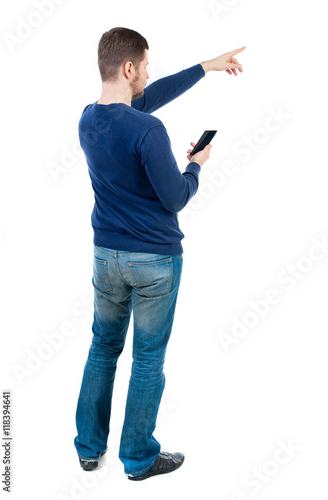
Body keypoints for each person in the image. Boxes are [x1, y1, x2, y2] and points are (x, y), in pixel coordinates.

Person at [73, 27, 245, 481]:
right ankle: (138, 459)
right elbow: (175, 199)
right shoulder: (147, 129)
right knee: (147, 359)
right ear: (129, 68)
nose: (150, 73)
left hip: (106, 256)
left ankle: (89, 449)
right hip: (153, 261)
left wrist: (207, 67)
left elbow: (147, 101)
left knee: (102, 347)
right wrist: (195, 165)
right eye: (146, 65)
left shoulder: (89, 119)